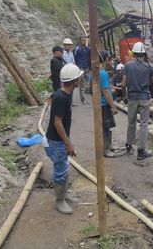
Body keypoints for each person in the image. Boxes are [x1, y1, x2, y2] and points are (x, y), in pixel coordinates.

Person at [44, 63, 83, 214]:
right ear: (74, 81)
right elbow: (57, 122)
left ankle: (64, 195)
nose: (81, 79)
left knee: (64, 168)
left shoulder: (63, 95)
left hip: (57, 140)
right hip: (56, 141)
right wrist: (68, 144)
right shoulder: (62, 98)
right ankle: (60, 201)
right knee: (61, 171)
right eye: (79, 78)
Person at [122, 42, 153, 160]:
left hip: (132, 97)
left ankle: (129, 146)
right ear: (144, 53)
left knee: (131, 122)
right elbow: (150, 81)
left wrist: (125, 95)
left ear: (134, 53)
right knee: (144, 124)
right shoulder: (147, 66)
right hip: (144, 97)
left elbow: (124, 83)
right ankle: (141, 151)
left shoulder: (128, 65)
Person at [95, 51, 119, 157]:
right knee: (105, 126)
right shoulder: (103, 73)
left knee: (106, 126)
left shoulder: (94, 72)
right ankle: (106, 149)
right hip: (104, 104)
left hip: (98, 103)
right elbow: (105, 91)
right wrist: (113, 106)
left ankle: (108, 146)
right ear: (105, 60)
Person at [74, 36, 91, 104]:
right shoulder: (77, 49)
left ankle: (86, 98)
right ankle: (82, 99)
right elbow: (74, 58)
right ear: (80, 41)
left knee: (87, 83)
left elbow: (89, 58)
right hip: (80, 68)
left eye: (85, 40)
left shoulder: (88, 49)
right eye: (82, 40)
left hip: (86, 67)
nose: (84, 41)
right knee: (81, 83)